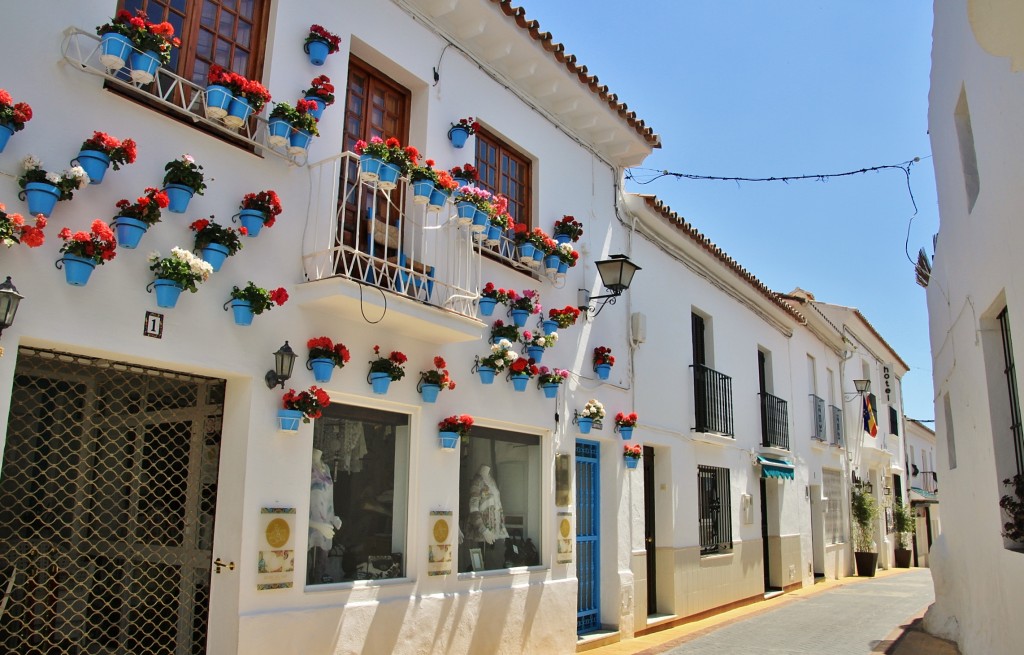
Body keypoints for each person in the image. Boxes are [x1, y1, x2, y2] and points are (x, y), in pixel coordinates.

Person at [308, 448, 342, 582]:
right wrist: (317, 525)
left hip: (325, 523)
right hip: (310, 523)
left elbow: (329, 497)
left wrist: (333, 517)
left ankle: (316, 589)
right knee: (305, 563)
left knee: (321, 564)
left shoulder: (326, 467)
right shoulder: (305, 465)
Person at [465, 464, 509, 568]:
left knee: (491, 561)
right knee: (481, 560)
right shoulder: (477, 481)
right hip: (483, 531)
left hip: (495, 531)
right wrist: (484, 530)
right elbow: (473, 508)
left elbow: (497, 505)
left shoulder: (491, 480)